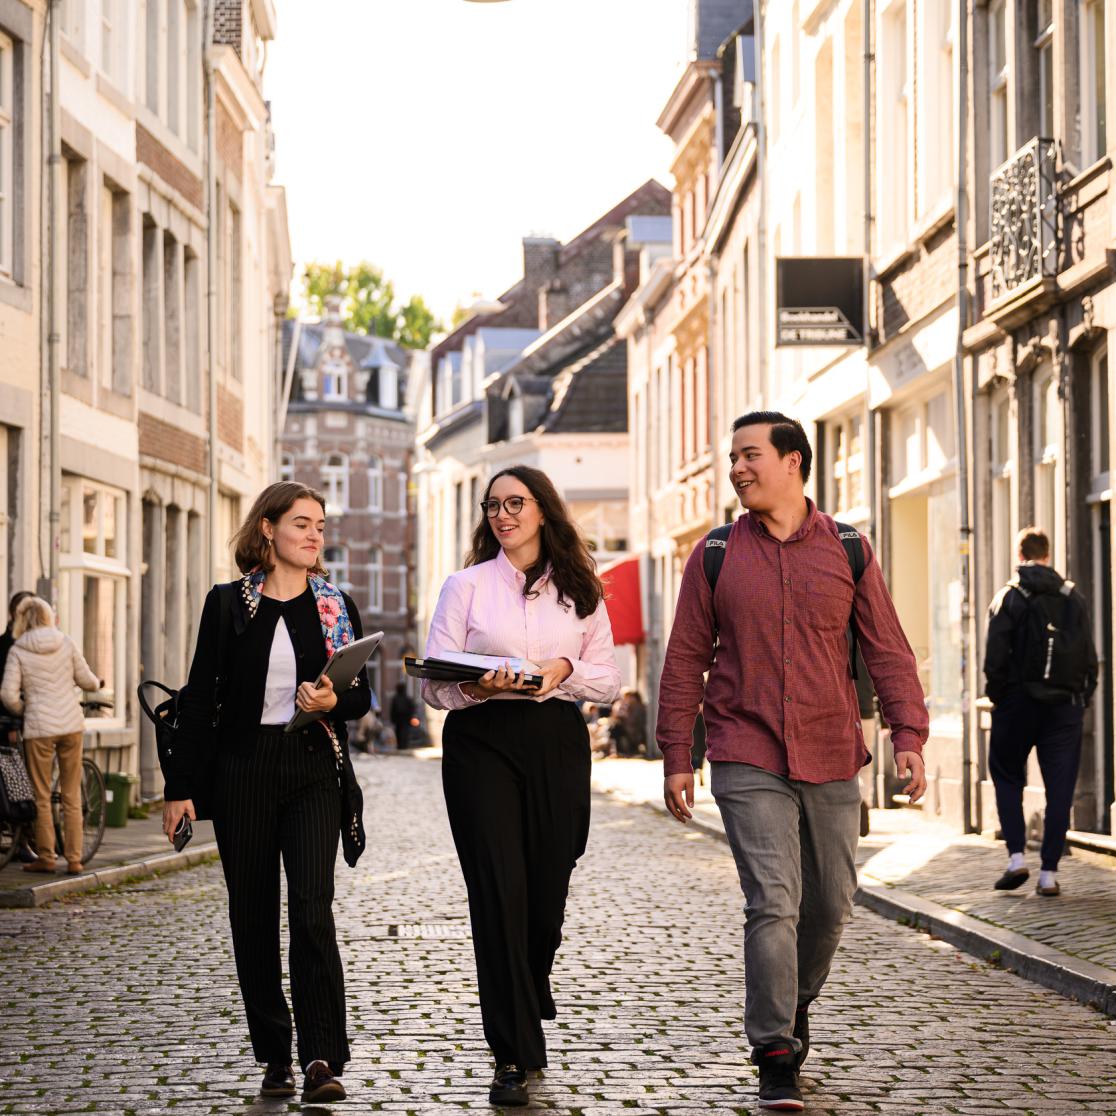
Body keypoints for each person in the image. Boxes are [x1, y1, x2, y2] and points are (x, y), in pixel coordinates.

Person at [658, 412, 928, 1112]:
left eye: (751, 456)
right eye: (734, 458)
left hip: (833, 748)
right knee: (772, 900)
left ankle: (794, 1001)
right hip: (746, 750)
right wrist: (675, 756)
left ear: (793, 462)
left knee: (833, 903)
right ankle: (774, 1049)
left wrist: (909, 734)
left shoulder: (848, 548)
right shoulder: (715, 554)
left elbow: (887, 648)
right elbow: (686, 656)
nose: (738, 468)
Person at [161, 481, 371, 1104]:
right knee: (252, 916)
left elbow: (359, 697)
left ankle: (321, 1058)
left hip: (312, 770)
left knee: (312, 910)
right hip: (243, 771)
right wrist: (180, 787)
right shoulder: (228, 605)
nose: (314, 536)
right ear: (267, 531)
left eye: (321, 526)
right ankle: (275, 1054)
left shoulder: (336, 605)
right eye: (302, 524)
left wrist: (335, 698)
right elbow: (199, 699)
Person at [422, 464, 621, 1107]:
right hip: (482, 744)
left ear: (543, 512)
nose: (502, 514)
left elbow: (607, 680)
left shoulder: (581, 589)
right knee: (498, 892)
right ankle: (511, 1052)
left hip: (556, 742)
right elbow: (433, 684)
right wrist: (479, 685)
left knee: (547, 890)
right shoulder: (465, 586)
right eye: (492, 505)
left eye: (515, 502)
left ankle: (532, 977)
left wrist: (560, 669)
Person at [983, 526, 1098, 898]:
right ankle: (1049, 872)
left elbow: (995, 658)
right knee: (1060, 787)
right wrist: (1081, 699)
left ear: (1020, 556)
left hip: (1017, 704)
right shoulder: (1072, 597)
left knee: (1006, 775)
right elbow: (1090, 659)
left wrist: (1001, 697)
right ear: (1048, 556)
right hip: (1063, 707)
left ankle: (1016, 857)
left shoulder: (1009, 597)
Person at [0, 596, 101, 875]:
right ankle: (74, 859)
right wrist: (97, 683)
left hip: (39, 729)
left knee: (42, 795)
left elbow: (8, 694)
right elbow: (87, 681)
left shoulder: (18, 649)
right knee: (71, 794)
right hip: (70, 725)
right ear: (48, 616)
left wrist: (26, 708)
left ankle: (46, 857)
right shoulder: (65, 642)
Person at [390, 680, 416, 749]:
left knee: (399, 732)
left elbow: (392, 710)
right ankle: (404, 745)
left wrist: (393, 719)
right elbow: (412, 708)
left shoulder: (396, 699)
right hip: (405, 719)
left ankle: (400, 745)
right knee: (404, 732)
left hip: (399, 719)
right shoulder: (407, 698)